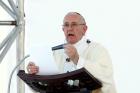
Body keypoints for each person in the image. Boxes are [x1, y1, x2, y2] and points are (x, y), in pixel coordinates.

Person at [27, 12, 116, 93]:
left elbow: (106, 77)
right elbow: (44, 88)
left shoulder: (97, 50)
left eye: (74, 24)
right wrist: (35, 75)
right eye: (66, 25)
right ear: (63, 29)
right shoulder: (55, 53)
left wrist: (77, 60)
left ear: (84, 29)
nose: (69, 28)